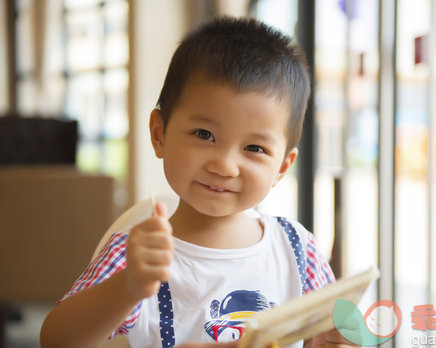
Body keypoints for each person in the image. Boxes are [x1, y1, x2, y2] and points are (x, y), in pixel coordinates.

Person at [40, 16, 356, 348]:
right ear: (159, 134)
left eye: (254, 148)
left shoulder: (298, 253)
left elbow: (332, 334)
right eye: (204, 134)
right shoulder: (139, 254)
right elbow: (56, 340)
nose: (224, 165)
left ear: (281, 167)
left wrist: (339, 340)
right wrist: (129, 286)